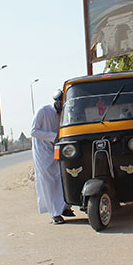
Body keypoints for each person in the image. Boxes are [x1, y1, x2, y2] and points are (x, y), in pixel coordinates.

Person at [31, 89, 74, 224]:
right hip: (43, 153)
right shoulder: (43, 111)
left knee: (60, 179)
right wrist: (52, 136)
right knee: (48, 182)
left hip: (55, 150)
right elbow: (33, 131)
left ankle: (64, 207)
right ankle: (54, 214)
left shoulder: (62, 114)